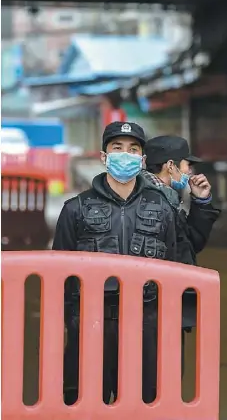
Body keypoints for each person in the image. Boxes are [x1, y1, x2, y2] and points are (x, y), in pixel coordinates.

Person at [52, 121, 177, 405]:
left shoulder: (162, 209)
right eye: (117, 148)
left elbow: (173, 269)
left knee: (144, 402)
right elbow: (59, 274)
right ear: (104, 156)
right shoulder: (76, 209)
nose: (125, 154)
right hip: (90, 323)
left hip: (146, 325)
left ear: (143, 160)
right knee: (84, 401)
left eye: (133, 149)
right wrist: (69, 324)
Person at [142, 135, 220, 375]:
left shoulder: (171, 198)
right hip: (150, 308)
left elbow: (191, 242)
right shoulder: (147, 200)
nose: (191, 171)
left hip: (168, 305)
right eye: (188, 165)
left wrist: (201, 201)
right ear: (171, 166)